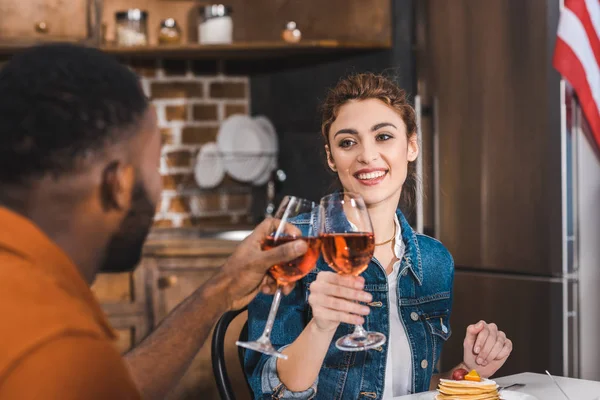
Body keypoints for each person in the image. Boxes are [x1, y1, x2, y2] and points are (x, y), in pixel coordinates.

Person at [0, 43, 307, 400]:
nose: (160, 185)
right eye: (156, 165)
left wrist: (223, 287)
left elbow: (110, 387)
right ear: (118, 183)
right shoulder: (53, 340)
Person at [245, 73, 513, 399]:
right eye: (347, 142)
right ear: (331, 157)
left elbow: (409, 386)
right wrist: (321, 327)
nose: (367, 156)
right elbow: (269, 393)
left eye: (383, 136)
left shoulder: (434, 261)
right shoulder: (291, 244)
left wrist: (469, 372)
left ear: (411, 146)